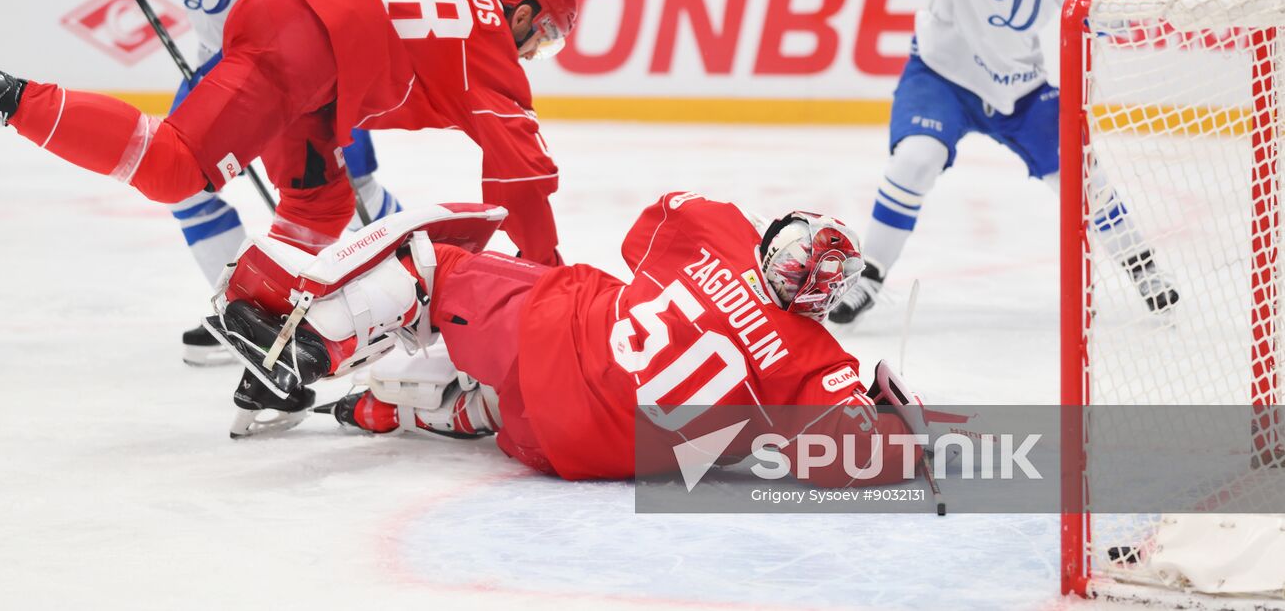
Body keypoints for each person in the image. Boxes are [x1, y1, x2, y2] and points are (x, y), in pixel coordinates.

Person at [0, 0, 575, 375]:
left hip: (300, 39)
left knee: (321, 203)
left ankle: (266, 331)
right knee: (172, 169)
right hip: (307, 56)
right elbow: (521, 179)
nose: (534, 52)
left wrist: (292, 2)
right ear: (520, 12)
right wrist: (548, 276)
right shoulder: (494, 58)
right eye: (541, 36)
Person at [198, 191, 932, 485]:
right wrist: (890, 406)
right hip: (568, 454)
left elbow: (645, 228)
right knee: (502, 404)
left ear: (776, 241)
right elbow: (871, 457)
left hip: (551, 334)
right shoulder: (817, 361)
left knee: (431, 268)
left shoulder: (717, 229)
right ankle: (384, 410)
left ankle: (308, 349)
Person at [71, 0, 400, 362]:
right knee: (181, 186)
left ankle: (418, 286)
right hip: (217, 59)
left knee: (354, 194)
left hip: (295, 70)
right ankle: (243, 312)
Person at [828, 0, 1178, 324]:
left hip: (1020, 86)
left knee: (1082, 173)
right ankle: (869, 276)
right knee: (915, 158)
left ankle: (1144, 268)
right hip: (942, 74)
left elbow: (1112, 25)